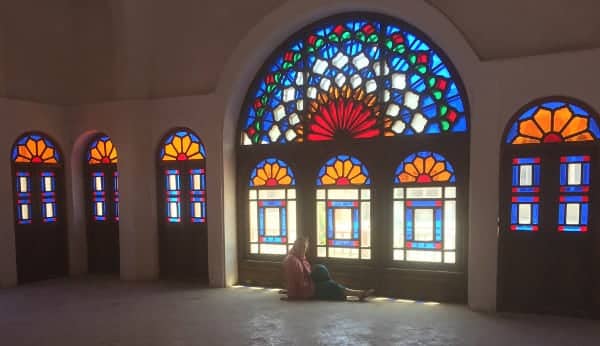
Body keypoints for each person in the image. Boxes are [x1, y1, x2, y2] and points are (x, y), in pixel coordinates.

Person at [282, 236, 374, 301]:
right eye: (301, 246)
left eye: (305, 247)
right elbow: (293, 281)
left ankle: (359, 293)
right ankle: (359, 294)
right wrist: (291, 295)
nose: (303, 249)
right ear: (295, 246)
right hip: (307, 290)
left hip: (311, 284)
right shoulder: (292, 260)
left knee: (330, 283)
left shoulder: (299, 256)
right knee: (332, 286)